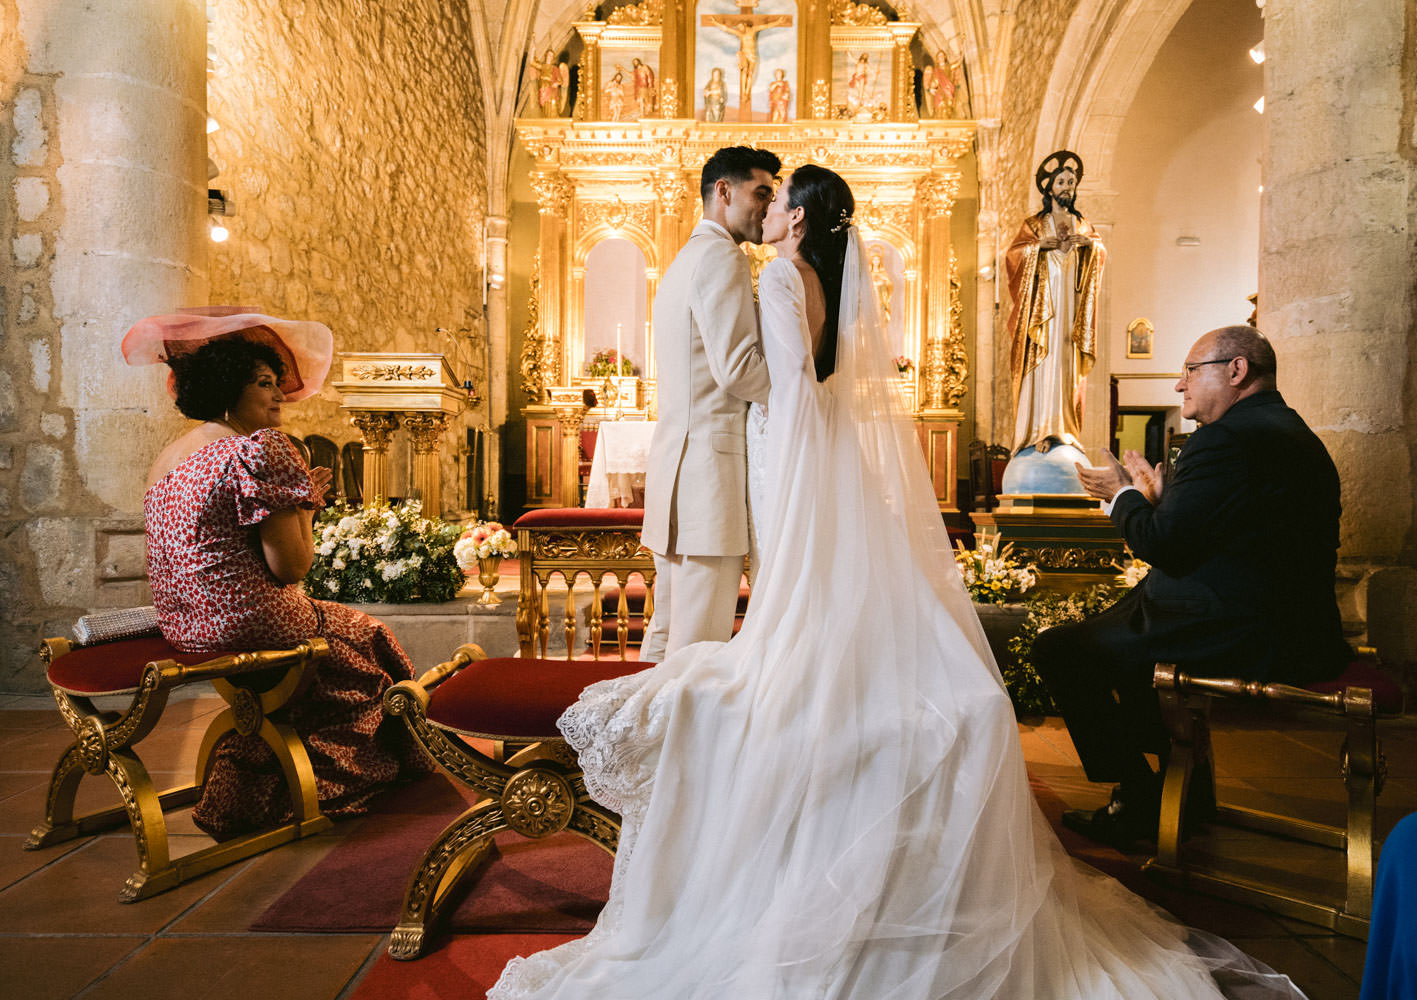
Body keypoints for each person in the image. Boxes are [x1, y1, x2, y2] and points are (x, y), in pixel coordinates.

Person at [491, 172, 1306, 999]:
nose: (766, 212)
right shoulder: (835, 277)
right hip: (811, 454)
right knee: (808, 608)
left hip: (784, 451)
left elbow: (779, 389)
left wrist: (772, 453)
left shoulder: (779, 275)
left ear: (797, 216)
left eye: (777, 202)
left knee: (778, 621)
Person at [1037, 324, 1350, 847]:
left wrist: (1122, 497)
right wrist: (1161, 502)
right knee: (1129, 653)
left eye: (1189, 370)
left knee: (1061, 650)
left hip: (1244, 627)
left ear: (1236, 370)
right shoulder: (1285, 430)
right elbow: (1237, 532)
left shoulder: (1224, 439)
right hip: (1284, 619)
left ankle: (1140, 792)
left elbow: (1165, 547)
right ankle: (1182, 789)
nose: (1179, 385)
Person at [124, 312, 427, 840]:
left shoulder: (170, 456)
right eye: (264, 384)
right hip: (250, 623)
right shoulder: (257, 449)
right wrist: (308, 504)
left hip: (185, 626)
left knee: (340, 633)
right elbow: (293, 567)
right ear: (227, 389)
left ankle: (256, 781)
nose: (281, 396)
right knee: (365, 634)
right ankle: (333, 781)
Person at [638, 146, 777, 661]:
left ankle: (636, 740)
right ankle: (676, 742)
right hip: (707, 483)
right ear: (724, 191)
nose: (769, 205)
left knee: (665, 637)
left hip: (679, 475)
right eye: (761, 192)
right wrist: (804, 397)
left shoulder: (683, 259)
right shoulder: (723, 256)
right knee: (697, 649)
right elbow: (739, 369)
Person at [1005, 150, 1106, 459]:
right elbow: (1012, 257)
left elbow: (1100, 251)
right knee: (1043, 362)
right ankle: (1039, 429)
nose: (1067, 187)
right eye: (1061, 182)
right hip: (1044, 312)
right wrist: (1037, 249)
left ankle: (1065, 430)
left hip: (1071, 310)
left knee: (1067, 365)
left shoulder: (1081, 223)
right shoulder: (1035, 224)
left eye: (1071, 182)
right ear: (1049, 188)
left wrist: (1091, 247)